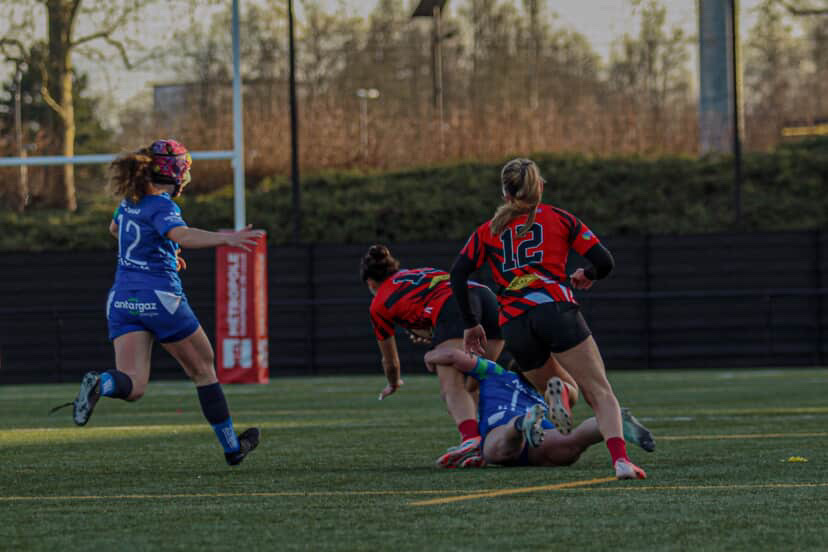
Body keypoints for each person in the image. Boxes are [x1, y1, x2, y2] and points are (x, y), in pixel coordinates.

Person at [51, 139, 262, 466]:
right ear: (174, 173)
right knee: (204, 370)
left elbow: (114, 229)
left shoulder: (129, 202)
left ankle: (101, 383)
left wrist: (161, 250)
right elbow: (183, 235)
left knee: (133, 385)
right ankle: (232, 447)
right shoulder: (162, 206)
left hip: (122, 300)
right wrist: (227, 238)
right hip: (160, 299)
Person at [449, 157, 647, 479]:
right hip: (554, 308)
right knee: (600, 391)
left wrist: (471, 323)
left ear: (504, 193)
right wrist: (588, 274)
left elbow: (458, 274)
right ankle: (621, 461)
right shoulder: (560, 218)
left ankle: (561, 395)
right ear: (539, 187)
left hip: (514, 323)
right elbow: (605, 262)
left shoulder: (488, 230)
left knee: (561, 387)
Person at [361, 244, 504, 468]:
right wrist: (436, 333)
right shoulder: (419, 273)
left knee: (452, 387)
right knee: (474, 384)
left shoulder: (378, 303)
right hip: (487, 298)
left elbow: (390, 361)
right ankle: (488, 440)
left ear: (370, 283)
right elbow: (429, 307)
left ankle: (471, 439)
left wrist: (393, 382)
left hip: (453, 305)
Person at [423, 347, 654, 467]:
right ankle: (607, 425)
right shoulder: (539, 391)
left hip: (503, 422)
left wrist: (430, 355)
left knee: (495, 451)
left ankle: (520, 425)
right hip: (542, 430)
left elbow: (453, 356)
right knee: (569, 448)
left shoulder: (495, 372)